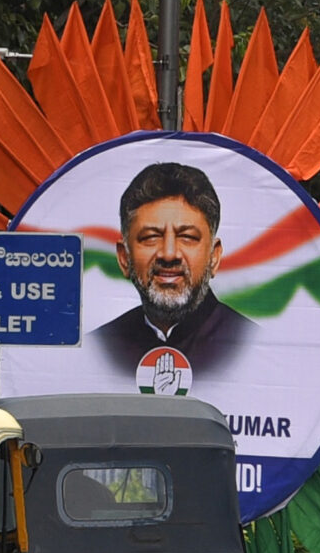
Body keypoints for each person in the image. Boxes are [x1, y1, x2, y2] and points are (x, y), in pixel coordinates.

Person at [87, 160, 256, 389]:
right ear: (124, 258)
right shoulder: (99, 347)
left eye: (187, 237)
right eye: (150, 237)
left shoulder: (252, 345)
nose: (168, 254)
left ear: (214, 257)